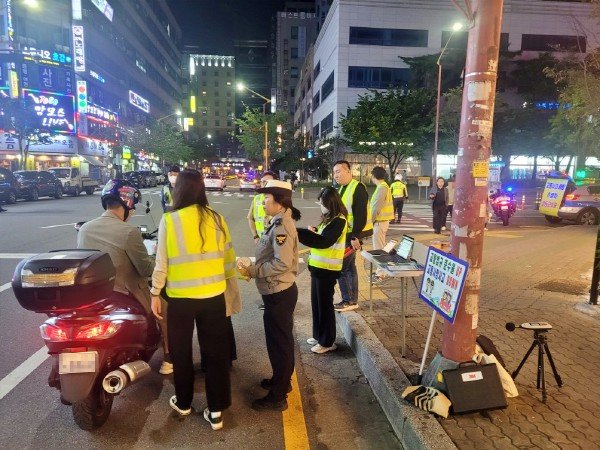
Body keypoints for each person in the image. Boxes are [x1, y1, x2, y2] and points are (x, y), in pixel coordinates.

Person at [150, 169, 236, 430]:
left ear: (179, 191)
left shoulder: (170, 220)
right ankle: (217, 411)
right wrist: (229, 292)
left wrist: (155, 292)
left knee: (181, 352)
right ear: (202, 190)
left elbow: (161, 262)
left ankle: (184, 402)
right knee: (216, 354)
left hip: (180, 299)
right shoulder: (218, 219)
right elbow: (228, 260)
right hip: (213, 297)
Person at [77, 180, 172, 375]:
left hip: (92, 295)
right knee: (164, 310)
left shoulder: (86, 228)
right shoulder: (129, 232)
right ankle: (169, 358)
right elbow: (146, 269)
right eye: (133, 206)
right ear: (127, 204)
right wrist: (159, 262)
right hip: (125, 293)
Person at [237, 180, 300, 411]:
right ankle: (280, 380)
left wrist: (253, 271)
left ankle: (278, 396)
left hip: (279, 292)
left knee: (280, 344)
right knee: (278, 342)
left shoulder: (282, 226)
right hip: (276, 291)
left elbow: (281, 262)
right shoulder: (276, 222)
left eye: (267, 199)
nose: (263, 202)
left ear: (280, 202)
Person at [297, 187, 348, 354]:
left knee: (325, 306)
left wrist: (301, 233)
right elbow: (322, 237)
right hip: (318, 268)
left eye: (322, 203)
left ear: (330, 203)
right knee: (317, 304)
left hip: (327, 270)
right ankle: (319, 335)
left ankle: (327, 342)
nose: (321, 205)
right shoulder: (329, 219)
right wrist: (314, 231)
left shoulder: (339, 220)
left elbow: (325, 241)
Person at [332, 160, 373, 312]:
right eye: (334, 172)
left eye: (338, 171)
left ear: (349, 171)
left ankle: (349, 300)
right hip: (346, 234)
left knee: (342, 267)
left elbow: (360, 215)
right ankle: (350, 300)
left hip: (353, 235)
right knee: (349, 267)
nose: (336, 175)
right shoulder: (343, 188)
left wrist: (356, 237)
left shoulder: (358, 188)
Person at [247, 171, 276, 244]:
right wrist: (255, 236)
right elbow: (250, 218)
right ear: (260, 183)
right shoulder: (257, 198)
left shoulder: (280, 199)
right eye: (263, 182)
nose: (265, 184)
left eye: (269, 182)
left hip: (276, 240)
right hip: (261, 240)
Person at [370, 167, 394, 250]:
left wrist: (370, 223)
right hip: (381, 222)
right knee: (380, 247)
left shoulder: (382, 188)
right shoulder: (383, 186)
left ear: (373, 176)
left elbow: (375, 208)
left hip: (379, 222)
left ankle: (382, 263)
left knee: (378, 250)